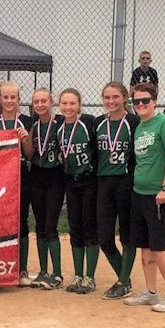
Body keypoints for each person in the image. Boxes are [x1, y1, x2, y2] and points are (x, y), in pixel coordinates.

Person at [124, 83, 165, 312]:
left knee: (160, 247)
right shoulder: (140, 126)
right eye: (136, 101)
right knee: (145, 246)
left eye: (145, 101)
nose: (140, 105)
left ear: (155, 101)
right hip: (140, 193)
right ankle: (151, 292)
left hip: (159, 195)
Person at [95, 82, 139, 300]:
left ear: (124, 98)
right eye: (106, 97)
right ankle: (125, 279)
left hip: (126, 182)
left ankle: (122, 282)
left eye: (115, 97)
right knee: (104, 237)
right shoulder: (98, 123)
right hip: (103, 183)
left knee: (127, 235)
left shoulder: (133, 121)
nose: (110, 101)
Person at [0, 82, 33, 286]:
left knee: (21, 220)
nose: (8, 101)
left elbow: (31, 154)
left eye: (12, 97)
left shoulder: (26, 121)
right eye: (5, 97)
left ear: (18, 99)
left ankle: (22, 269)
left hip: (20, 173)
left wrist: (25, 140)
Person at [57, 89, 99, 294]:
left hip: (89, 181)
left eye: (72, 103)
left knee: (89, 226)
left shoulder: (89, 122)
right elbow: (60, 150)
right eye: (64, 103)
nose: (68, 107)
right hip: (71, 182)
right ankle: (78, 275)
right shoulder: (59, 127)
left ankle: (90, 277)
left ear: (80, 104)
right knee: (75, 227)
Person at [28, 88, 65, 290]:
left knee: (51, 225)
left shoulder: (60, 122)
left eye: (44, 101)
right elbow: (30, 151)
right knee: (40, 225)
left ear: (51, 102)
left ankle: (57, 273)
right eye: (36, 102)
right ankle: (43, 271)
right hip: (37, 175)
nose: (40, 105)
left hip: (55, 177)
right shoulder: (33, 126)